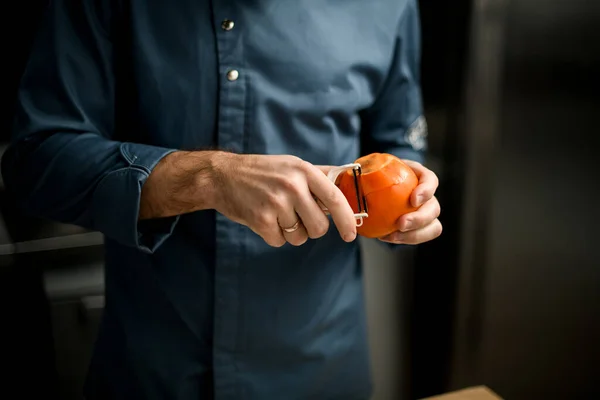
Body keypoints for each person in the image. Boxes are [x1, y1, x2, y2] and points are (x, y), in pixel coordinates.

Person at [1, 0, 442, 399]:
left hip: (319, 368)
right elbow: (38, 163)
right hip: (153, 371)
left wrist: (410, 207)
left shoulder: (389, 6)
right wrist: (208, 177)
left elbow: (399, 144)